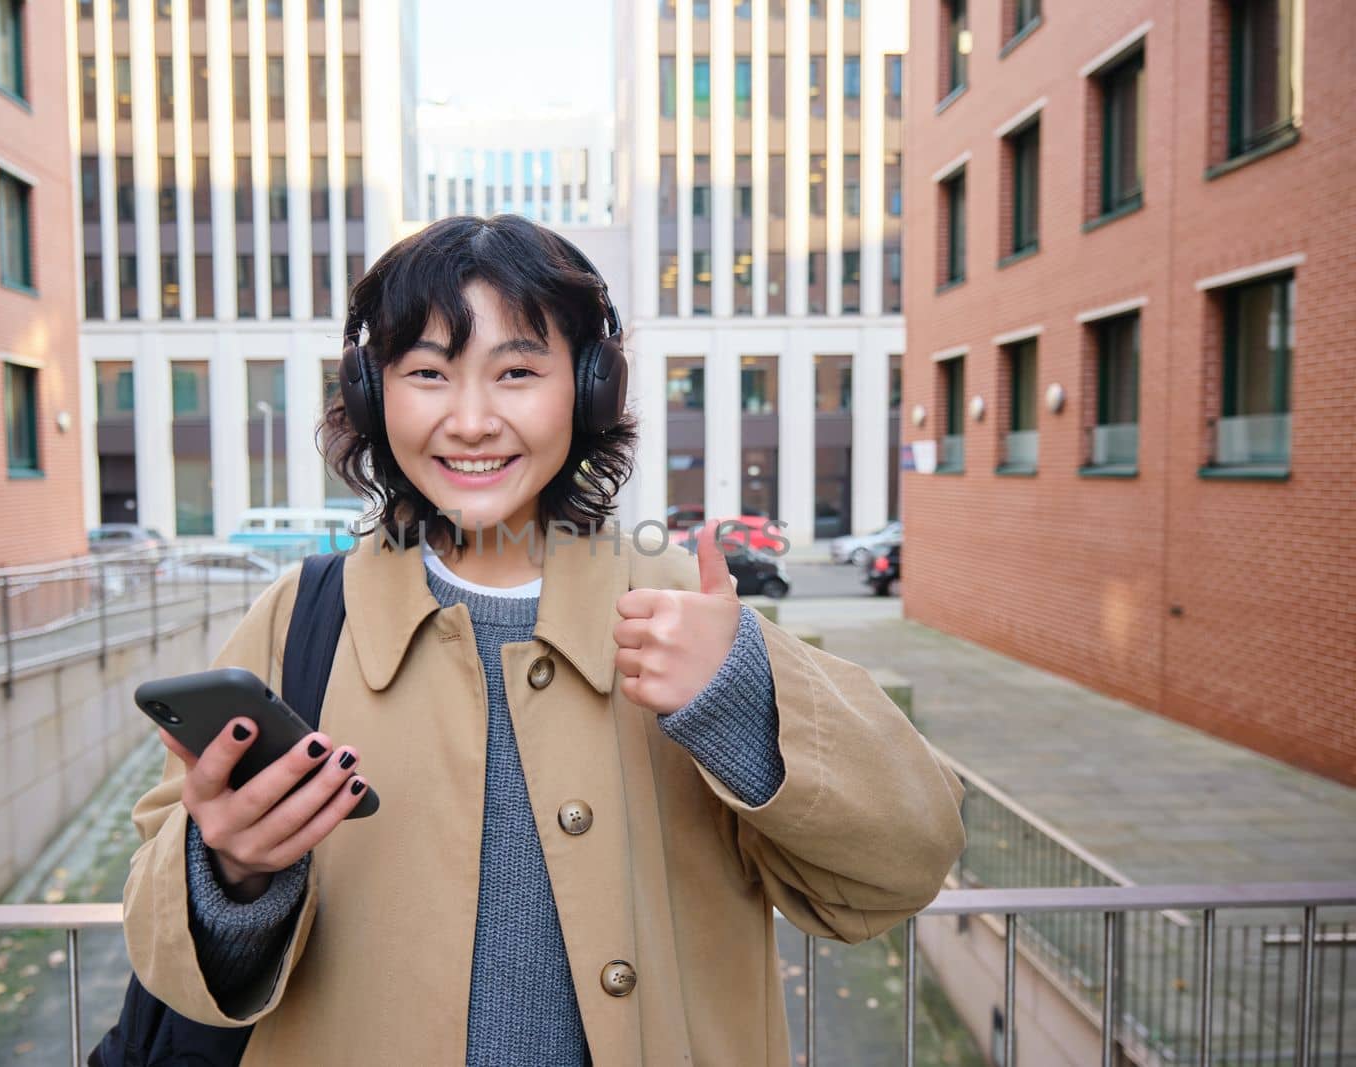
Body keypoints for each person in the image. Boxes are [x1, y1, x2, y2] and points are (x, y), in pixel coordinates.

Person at [120, 214, 966, 1066]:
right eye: (427, 373)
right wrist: (231, 872)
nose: (473, 420)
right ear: (374, 394)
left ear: (589, 389)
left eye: (518, 371)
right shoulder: (297, 619)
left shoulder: (676, 603)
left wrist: (745, 690)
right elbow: (171, 965)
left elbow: (903, 865)